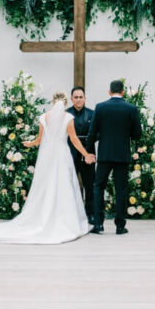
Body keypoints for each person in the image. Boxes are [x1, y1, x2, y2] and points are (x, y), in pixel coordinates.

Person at [0, 92, 91, 244]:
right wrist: (86, 154)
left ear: (52, 102)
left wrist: (29, 143)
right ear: (65, 102)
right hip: (62, 155)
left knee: (44, 186)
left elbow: (39, 140)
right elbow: (74, 139)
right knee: (63, 185)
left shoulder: (43, 117)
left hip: (47, 157)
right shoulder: (68, 118)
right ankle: (65, 220)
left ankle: (44, 216)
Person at [86, 80, 142, 236]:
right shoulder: (131, 108)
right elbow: (137, 133)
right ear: (123, 92)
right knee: (121, 190)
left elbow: (92, 132)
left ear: (109, 92)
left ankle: (98, 224)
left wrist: (88, 152)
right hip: (122, 154)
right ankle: (120, 226)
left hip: (104, 154)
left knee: (98, 188)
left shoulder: (100, 107)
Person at [66, 85, 95, 222]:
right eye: (76, 97)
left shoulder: (93, 113)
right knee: (70, 184)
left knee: (89, 184)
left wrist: (90, 138)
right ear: (71, 99)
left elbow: (98, 132)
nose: (78, 100)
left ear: (85, 98)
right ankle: (72, 214)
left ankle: (90, 213)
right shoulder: (66, 114)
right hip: (71, 153)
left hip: (88, 153)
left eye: (81, 97)